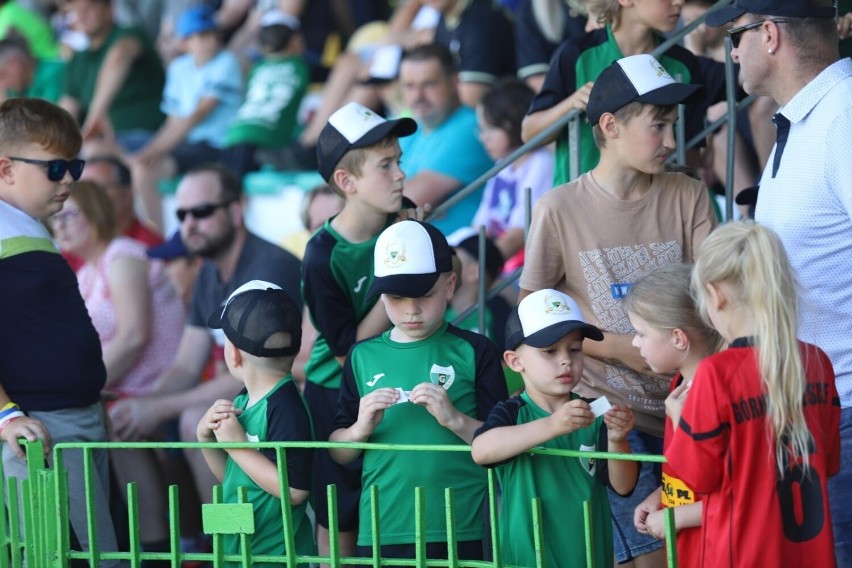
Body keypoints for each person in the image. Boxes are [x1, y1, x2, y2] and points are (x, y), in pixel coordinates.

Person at [519, 53, 717, 567]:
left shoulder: (691, 195)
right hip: (609, 422)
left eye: (673, 126)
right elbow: (533, 314)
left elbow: (719, 298)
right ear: (609, 125)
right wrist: (621, 350)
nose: (672, 141)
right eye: (658, 126)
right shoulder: (558, 208)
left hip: (688, 418)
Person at [703, 1, 852, 562]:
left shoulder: (844, 117)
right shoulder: (807, 120)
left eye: (734, 35)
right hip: (814, 408)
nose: (732, 50)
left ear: (768, 36)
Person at [108, 163, 303, 518]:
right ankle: (172, 545)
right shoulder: (208, 272)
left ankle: (230, 535)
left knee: (196, 419)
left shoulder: (269, 268)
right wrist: (144, 405)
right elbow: (185, 364)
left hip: (285, 399)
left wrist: (162, 407)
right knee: (126, 421)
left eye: (201, 212)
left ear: (235, 211)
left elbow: (271, 369)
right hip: (248, 392)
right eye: (182, 214)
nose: (188, 224)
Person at [329, 220, 508, 563]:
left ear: (450, 284)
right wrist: (358, 430)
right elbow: (338, 451)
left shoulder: (476, 350)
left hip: (462, 525)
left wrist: (455, 419)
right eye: (396, 297)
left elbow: (502, 443)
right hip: (381, 525)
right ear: (381, 296)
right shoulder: (362, 355)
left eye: (424, 294)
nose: (411, 309)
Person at [665, 221, 840, 567]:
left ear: (716, 295)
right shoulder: (817, 362)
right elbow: (830, 462)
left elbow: (696, 476)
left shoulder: (717, 373)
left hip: (742, 553)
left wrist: (679, 417)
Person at [0, 97, 121, 566]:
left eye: (75, 165)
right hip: (40, 430)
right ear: (6, 168)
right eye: (54, 167)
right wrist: (7, 416)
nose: (70, 178)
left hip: (73, 420)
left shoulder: (28, 226)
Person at [302, 101, 416, 562]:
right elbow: (349, 353)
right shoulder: (321, 255)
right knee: (341, 524)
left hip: (400, 382)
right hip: (336, 397)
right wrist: (397, 270)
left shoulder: (405, 219)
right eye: (385, 166)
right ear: (346, 182)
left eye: (399, 162)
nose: (400, 176)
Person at [50, 179, 184, 555]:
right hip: (123, 384)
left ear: (96, 212)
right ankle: (138, 545)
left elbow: (134, 336)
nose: (60, 225)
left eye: (70, 214)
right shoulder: (88, 272)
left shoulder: (122, 255)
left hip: (161, 381)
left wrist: (84, 386)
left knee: (116, 423)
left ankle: (155, 547)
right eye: (55, 216)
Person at [471, 288, 637, 566]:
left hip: (589, 555)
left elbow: (624, 486)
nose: (565, 360)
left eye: (574, 349)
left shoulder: (596, 411)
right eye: (549, 351)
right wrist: (552, 425)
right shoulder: (513, 411)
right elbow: (481, 450)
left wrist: (618, 441)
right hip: (527, 559)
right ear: (515, 361)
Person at [522, 0, 708, 186]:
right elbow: (529, 134)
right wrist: (569, 105)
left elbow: (690, 156)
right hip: (580, 206)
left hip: (656, 203)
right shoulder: (577, 53)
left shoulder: (683, 63)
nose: (679, 1)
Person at [199, 280, 315, 563]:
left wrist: (238, 446)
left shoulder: (286, 407)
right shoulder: (242, 401)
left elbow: (295, 491)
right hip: (240, 549)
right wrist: (206, 438)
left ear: (234, 353)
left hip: (276, 556)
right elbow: (232, 476)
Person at [625, 264, 723, 565]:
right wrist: (661, 495)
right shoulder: (680, 384)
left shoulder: (718, 393)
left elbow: (743, 491)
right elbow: (687, 471)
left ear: (679, 338)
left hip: (720, 548)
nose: (634, 343)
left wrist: (677, 516)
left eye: (641, 333)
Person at [128, 4, 244, 231]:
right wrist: (152, 151)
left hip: (219, 146)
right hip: (186, 146)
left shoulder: (227, 61)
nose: (208, 40)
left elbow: (197, 115)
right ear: (184, 43)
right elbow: (173, 121)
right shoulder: (178, 68)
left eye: (210, 33)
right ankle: (156, 233)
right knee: (140, 167)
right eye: (199, 36)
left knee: (146, 160)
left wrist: (155, 149)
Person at [398, 44, 493, 235]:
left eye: (429, 84)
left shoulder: (470, 127)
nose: (418, 95)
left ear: (453, 81)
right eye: (410, 86)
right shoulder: (411, 128)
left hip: (452, 256)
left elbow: (401, 202)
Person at [60, 0, 166, 151]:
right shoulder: (78, 59)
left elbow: (119, 57)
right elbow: (67, 108)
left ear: (110, 10)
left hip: (147, 138)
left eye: (90, 6)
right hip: (99, 142)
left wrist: (93, 119)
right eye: (77, 9)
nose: (82, 14)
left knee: (91, 152)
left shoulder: (130, 34)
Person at [473, 78, 552, 273]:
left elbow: (518, 234)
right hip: (500, 261)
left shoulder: (541, 162)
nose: (484, 137)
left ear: (513, 123)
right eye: (481, 130)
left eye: (490, 128)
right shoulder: (502, 163)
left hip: (524, 268)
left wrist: (479, 269)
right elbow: (480, 224)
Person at [222, 9, 309, 178]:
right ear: (295, 41)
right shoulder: (303, 66)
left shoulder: (256, 68)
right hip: (269, 140)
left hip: (235, 133)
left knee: (225, 188)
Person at [445, 227, 510, 349]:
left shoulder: (497, 309)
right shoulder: (437, 309)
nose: (445, 264)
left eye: (454, 258)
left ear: (475, 271)